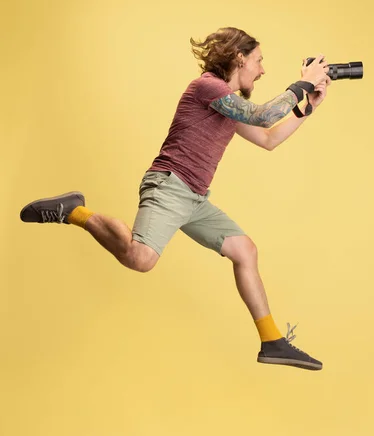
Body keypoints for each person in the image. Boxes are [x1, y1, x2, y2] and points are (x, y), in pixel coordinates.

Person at [20, 27, 331, 371]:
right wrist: (304, 81)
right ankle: (74, 211)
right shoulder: (208, 88)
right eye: (258, 61)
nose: (262, 70)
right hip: (170, 185)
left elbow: (268, 138)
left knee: (245, 251)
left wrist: (307, 109)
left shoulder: (230, 107)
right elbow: (262, 115)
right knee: (140, 259)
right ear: (239, 58)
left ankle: (272, 340)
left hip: (195, 198)